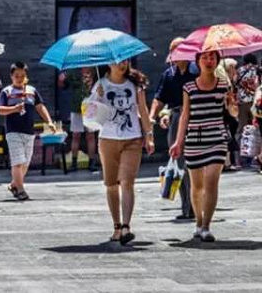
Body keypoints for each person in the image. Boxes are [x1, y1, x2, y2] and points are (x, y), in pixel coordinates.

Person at [170, 51, 233, 242]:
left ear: (217, 61)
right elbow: (185, 116)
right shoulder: (189, 87)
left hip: (217, 139)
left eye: (212, 57)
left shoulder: (224, 85)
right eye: (204, 57)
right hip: (195, 141)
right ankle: (198, 221)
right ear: (197, 61)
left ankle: (206, 225)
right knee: (197, 187)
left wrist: (232, 105)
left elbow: (232, 111)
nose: (209, 61)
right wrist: (178, 141)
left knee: (211, 181)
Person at [92, 60, 154, 245]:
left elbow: (143, 110)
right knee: (111, 184)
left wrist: (149, 135)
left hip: (132, 139)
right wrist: (96, 98)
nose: (122, 64)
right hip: (108, 139)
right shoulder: (100, 84)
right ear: (109, 65)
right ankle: (117, 226)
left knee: (127, 181)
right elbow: (92, 116)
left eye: (125, 60)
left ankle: (127, 226)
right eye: (117, 61)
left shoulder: (135, 85)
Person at [149, 37, 198, 220]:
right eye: (173, 51)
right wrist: (154, 115)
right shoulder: (169, 74)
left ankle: (194, 204)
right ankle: (187, 205)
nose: (176, 55)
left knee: (193, 163)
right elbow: (159, 98)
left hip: (195, 119)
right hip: (177, 118)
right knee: (178, 163)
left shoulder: (197, 71)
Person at [0, 62, 56, 201]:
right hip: (13, 131)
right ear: (11, 76)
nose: (19, 78)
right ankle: (21, 189)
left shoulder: (31, 91)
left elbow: (40, 107)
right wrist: (14, 109)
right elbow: (0, 110)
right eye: (16, 76)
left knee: (25, 163)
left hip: (29, 131)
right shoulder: (6, 92)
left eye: (22, 76)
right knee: (17, 162)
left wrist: (49, 121)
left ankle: (14, 184)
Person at [60, 68, 98, 172]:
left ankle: (92, 162)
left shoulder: (95, 70)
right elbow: (63, 86)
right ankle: (74, 162)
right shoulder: (73, 72)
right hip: (76, 106)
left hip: (90, 105)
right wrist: (62, 80)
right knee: (76, 135)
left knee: (90, 135)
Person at [235, 54, 259, 142]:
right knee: (256, 124)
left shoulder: (240, 70)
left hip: (242, 101)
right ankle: (255, 145)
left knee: (242, 125)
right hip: (256, 101)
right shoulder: (258, 69)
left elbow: (235, 82)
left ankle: (241, 145)